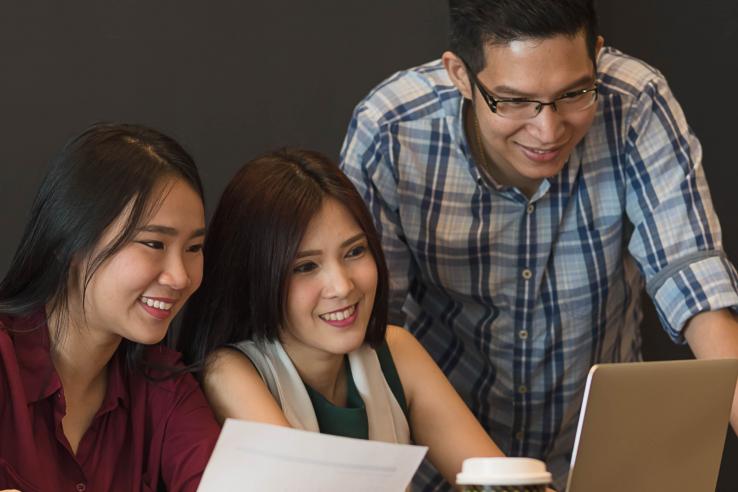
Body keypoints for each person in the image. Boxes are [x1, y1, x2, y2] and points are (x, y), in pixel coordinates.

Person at [339, 0, 738, 490]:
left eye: (574, 93)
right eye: (513, 101)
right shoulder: (392, 130)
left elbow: (695, 283)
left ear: (596, 53)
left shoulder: (635, 100)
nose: (548, 131)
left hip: (601, 458)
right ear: (460, 75)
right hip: (440, 461)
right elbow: (374, 334)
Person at [178, 148, 506, 487]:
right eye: (305, 267)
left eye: (355, 251)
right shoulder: (230, 372)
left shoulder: (396, 351)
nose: (342, 285)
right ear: (254, 277)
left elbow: (500, 481)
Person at [0, 123, 220, 491]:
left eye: (194, 248)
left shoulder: (165, 389)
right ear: (72, 243)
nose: (180, 277)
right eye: (154, 244)